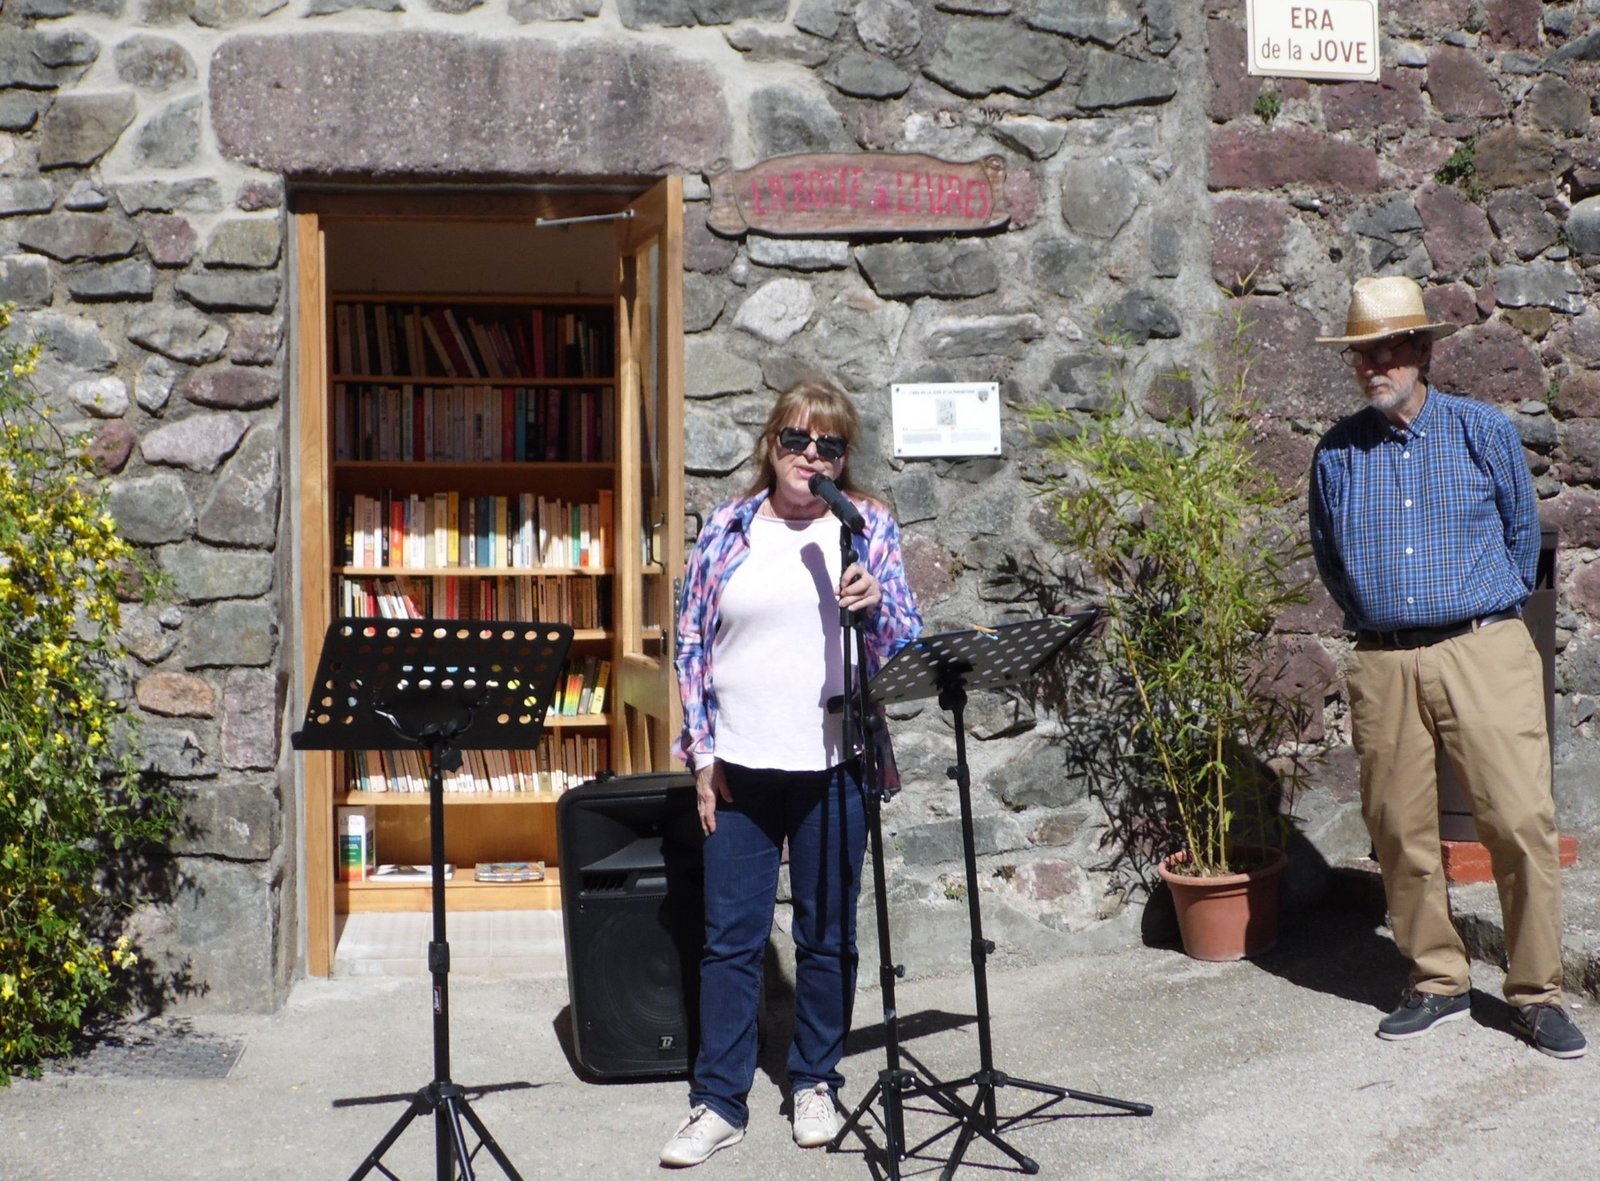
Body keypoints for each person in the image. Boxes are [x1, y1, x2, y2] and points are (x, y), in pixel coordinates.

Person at [1308, 274, 1585, 1059]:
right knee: (1398, 829)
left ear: (1422, 351)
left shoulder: (1479, 432)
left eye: (1388, 348)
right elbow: (1330, 558)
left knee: (1520, 820)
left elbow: (1519, 537)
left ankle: (1535, 992)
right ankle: (1436, 978)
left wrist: (1472, 612)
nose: (1373, 365)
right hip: (1382, 659)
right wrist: (1383, 617)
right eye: (1362, 353)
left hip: (1481, 645)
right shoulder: (1335, 454)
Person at [659, 380, 923, 1167]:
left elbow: (905, 648)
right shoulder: (730, 528)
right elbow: (690, 643)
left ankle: (814, 1078)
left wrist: (877, 604)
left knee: (827, 936)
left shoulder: (866, 524)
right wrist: (702, 757)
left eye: (830, 446)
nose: (812, 456)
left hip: (836, 764)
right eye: (797, 441)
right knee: (730, 940)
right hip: (740, 764)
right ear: (771, 445)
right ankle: (718, 1101)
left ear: (846, 459)